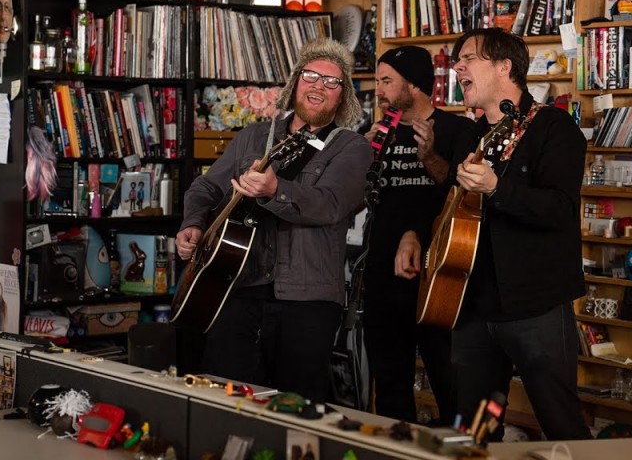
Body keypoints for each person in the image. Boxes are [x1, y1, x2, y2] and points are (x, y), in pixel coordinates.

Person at [395, 27, 592, 441]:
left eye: (469, 58)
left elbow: (560, 209)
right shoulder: (471, 133)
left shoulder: (554, 130)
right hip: (470, 301)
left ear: (505, 67)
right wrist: (413, 233)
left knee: (559, 421)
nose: (458, 66)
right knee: (475, 428)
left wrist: (498, 188)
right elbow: (450, 201)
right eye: (457, 60)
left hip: (533, 304)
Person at [176, 37, 372, 405]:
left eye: (333, 82)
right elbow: (206, 187)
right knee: (227, 401)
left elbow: (328, 204)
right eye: (312, 76)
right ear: (295, 82)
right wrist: (193, 224)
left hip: (306, 302)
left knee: (296, 408)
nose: (320, 86)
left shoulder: (352, 148)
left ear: (343, 97)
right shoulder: (254, 136)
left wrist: (273, 189)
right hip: (236, 288)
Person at [361, 46, 473, 426]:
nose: (379, 90)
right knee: (390, 379)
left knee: (449, 375)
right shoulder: (380, 133)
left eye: (386, 81)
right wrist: (362, 156)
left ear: (414, 85)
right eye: (378, 81)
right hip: (382, 269)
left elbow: (461, 196)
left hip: (438, 271)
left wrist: (429, 157)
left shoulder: (459, 130)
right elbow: (363, 196)